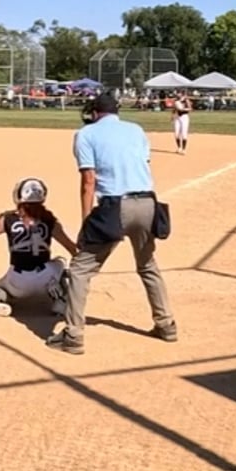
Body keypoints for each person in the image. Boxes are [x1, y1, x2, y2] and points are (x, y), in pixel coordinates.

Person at [50, 90, 177, 355]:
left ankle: (73, 335)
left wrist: (87, 221)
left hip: (115, 206)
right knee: (147, 265)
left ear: (95, 112)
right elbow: (141, 164)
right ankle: (166, 325)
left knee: (80, 270)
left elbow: (89, 181)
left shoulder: (86, 134)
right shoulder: (136, 130)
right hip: (148, 203)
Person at [0, 178, 77, 317]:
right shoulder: (50, 220)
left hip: (17, 281)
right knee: (60, 262)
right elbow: (71, 248)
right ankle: (60, 298)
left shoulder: (8, 219)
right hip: (45, 279)